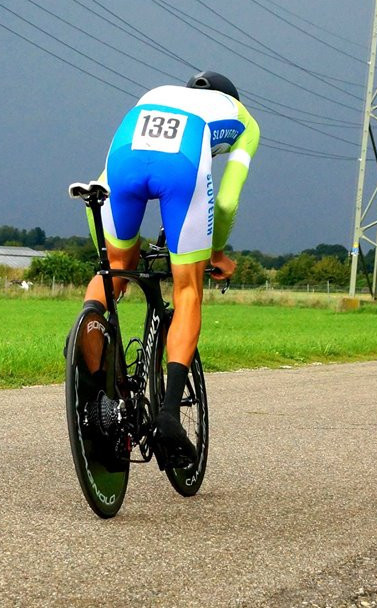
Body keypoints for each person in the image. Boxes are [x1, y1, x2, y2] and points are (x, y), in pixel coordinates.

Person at [81, 71, 260, 461]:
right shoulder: (243, 118)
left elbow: (102, 182)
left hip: (124, 160)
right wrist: (216, 253)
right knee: (187, 289)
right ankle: (169, 416)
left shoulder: (156, 93)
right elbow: (226, 203)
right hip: (181, 166)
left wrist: (112, 258)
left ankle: (87, 345)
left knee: (113, 269)